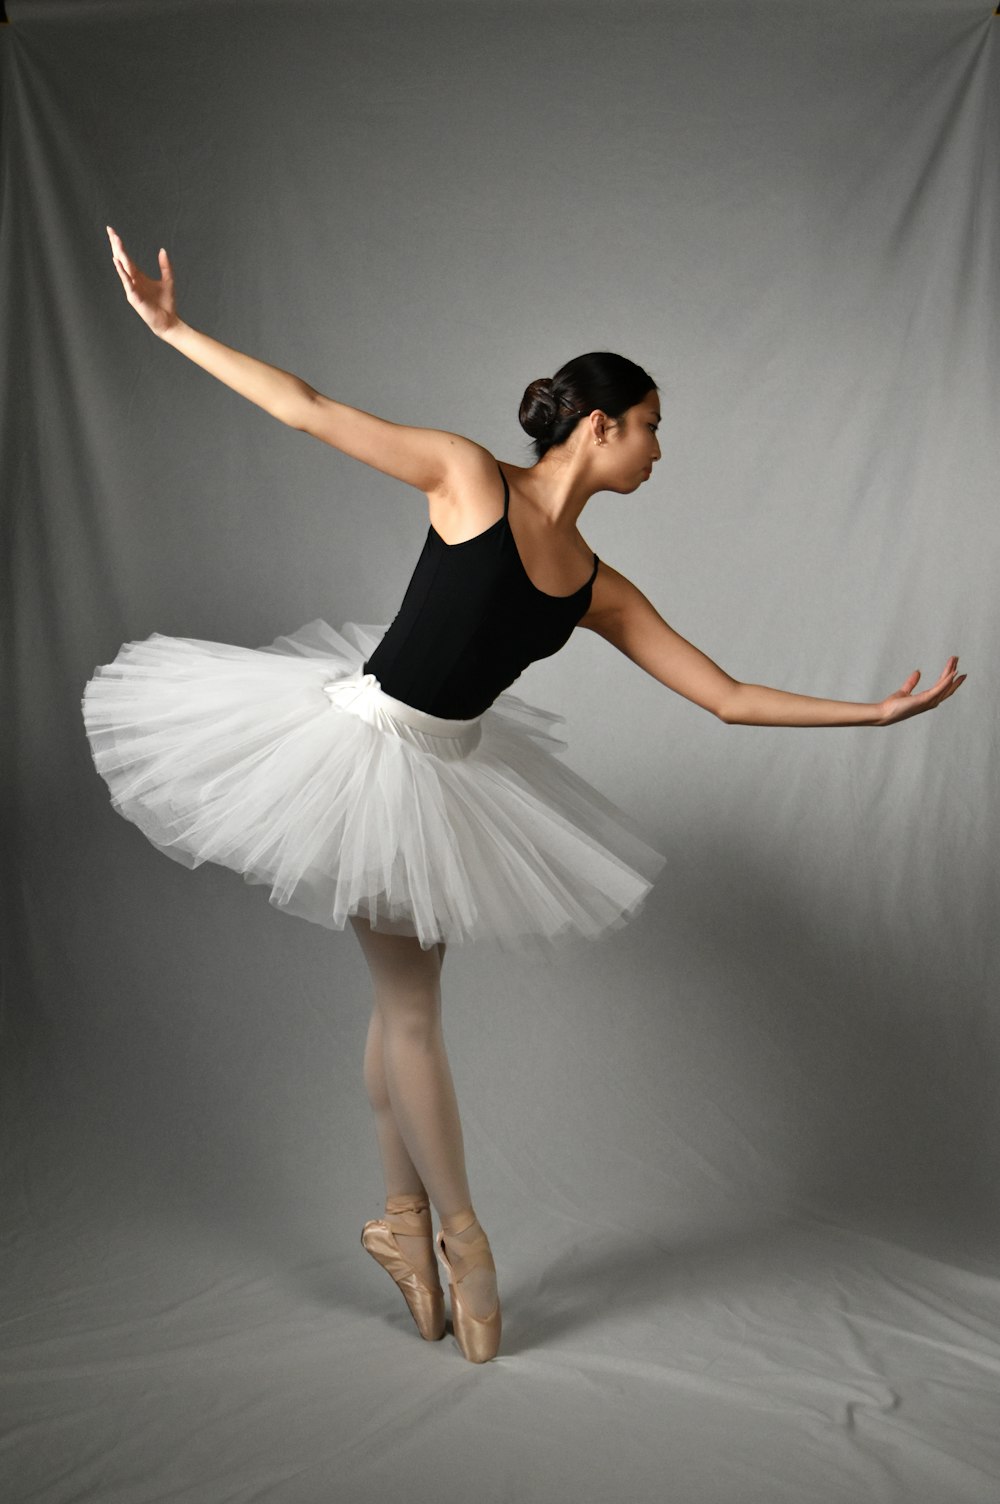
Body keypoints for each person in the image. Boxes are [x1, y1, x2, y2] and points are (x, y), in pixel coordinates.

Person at [84, 226, 964, 1365]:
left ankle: (402, 1227)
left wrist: (875, 714)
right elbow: (306, 408)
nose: (659, 449)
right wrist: (172, 328)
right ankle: (464, 1242)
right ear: (598, 426)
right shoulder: (466, 476)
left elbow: (729, 697)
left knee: (400, 1008)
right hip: (362, 754)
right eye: (651, 426)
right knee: (409, 1013)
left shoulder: (598, 587)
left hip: (451, 777)